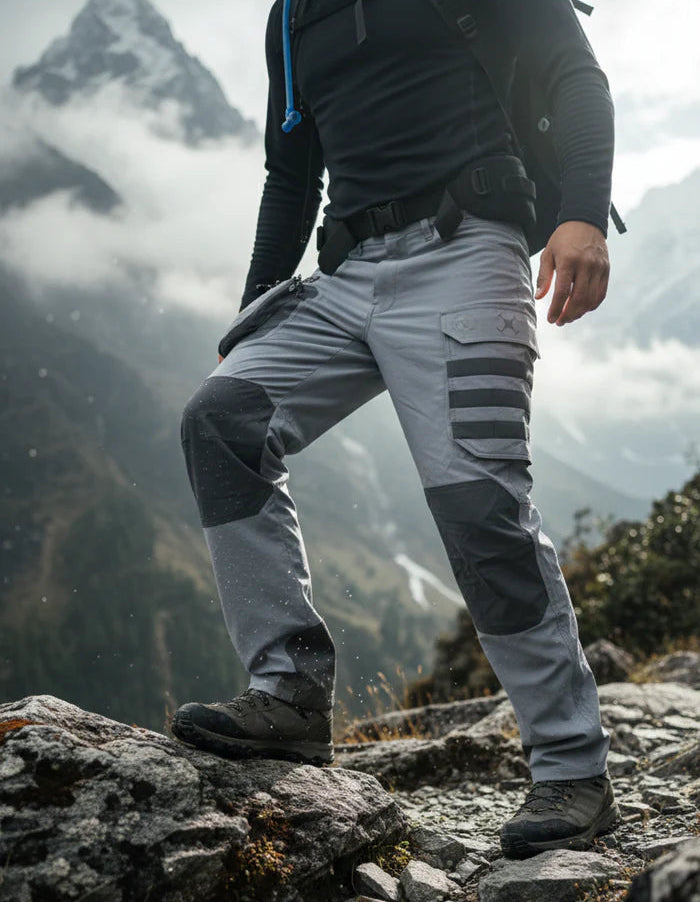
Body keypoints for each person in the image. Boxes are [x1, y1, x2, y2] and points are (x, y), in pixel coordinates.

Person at [172, 0, 620, 859]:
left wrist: (583, 213)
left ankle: (573, 768)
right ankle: (290, 693)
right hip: (345, 277)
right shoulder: (293, 13)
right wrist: (255, 310)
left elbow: (575, 75)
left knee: (480, 506)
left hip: (469, 254)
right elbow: (289, 178)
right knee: (222, 419)